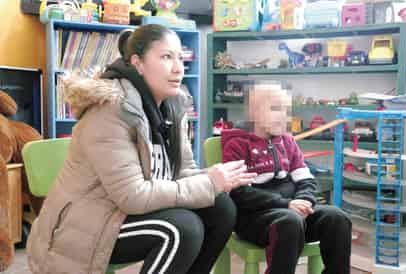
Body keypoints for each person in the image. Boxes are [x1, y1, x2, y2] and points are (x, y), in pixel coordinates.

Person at [26, 24, 257, 274]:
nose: (178, 68)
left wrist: (215, 178)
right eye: (166, 57)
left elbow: (181, 173)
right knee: (182, 229)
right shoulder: (110, 111)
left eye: (181, 58)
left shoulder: (171, 107)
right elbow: (132, 195)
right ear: (138, 63)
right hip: (84, 225)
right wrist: (209, 183)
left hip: (123, 213)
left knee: (221, 208)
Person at [221, 83, 352, 274]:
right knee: (289, 222)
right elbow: (239, 193)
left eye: (287, 110)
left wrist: (304, 201)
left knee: (338, 218)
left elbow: (305, 179)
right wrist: (287, 204)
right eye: (275, 108)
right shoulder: (237, 145)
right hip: (255, 220)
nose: (283, 115)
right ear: (254, 113)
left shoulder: (287, 142)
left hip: (293, 214)